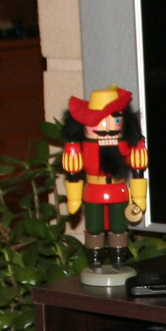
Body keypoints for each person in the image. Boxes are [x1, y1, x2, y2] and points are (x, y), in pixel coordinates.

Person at [61, 86, 147, 272]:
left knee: (118, 226)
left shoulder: (130, 144)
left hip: (119, 192)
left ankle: (118, 260)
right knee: (94, 227)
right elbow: (73, 172)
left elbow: (138, 168)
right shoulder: (79, 147)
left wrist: (139, 197)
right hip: (93, 192)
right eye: (98, 122)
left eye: (115, 120)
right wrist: (74, 198)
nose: (106, 129)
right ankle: (94, 261)